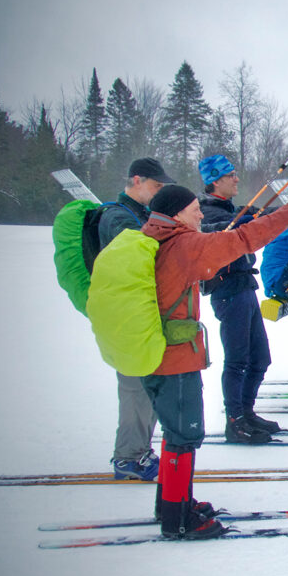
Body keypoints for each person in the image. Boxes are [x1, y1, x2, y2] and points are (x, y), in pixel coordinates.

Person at [140, 184, 288, 539]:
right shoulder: (183, 244)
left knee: (174, 433)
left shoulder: (156, 238)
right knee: (184, 436)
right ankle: (178, 519)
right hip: (175, 356)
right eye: (194, 209)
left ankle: (171, 504)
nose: (200, 214)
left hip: (155, 354)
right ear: (178, 213)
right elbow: (241, 240)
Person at [197, 154, 279, 443]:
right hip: (227, 291)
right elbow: (222, 231)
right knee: (237, 360)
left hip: (245, 287)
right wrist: (246, 219)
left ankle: (246, 411)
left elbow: (257, 221)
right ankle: (235, 420)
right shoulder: (206, 212)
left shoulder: (230, 209)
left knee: (260, 358)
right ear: (215, 180)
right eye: (231, 175)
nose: (237, 179)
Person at [98, 157, 169, 480]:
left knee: (145, 384)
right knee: (135, 387)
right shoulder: (117, 217)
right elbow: (138, 257)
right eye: (155, 186)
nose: (158, 192)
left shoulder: (139, 214)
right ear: (136, 180)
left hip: (140, 307)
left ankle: (137, 450)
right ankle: (128, 457)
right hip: (126, 311)